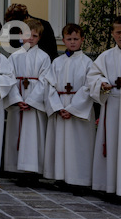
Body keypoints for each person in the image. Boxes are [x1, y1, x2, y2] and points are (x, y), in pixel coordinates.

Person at [43, 23, 95, 191]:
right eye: (69, 39)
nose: (72, 42)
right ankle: (61, 177)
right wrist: (58, 107)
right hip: (60, 106)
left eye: (76, 39)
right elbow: (49, 85)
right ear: (63, 40)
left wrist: (72, 109)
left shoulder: (88, 63)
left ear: (82, 40)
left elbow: (88, 87)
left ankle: (79, 179)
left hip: (77, 108)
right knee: (60, 143)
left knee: (78, 144)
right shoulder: (57, 62)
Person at [3, 18, 50, 183]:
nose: (31, 38)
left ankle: (33, 171)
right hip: (18, 102)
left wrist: (31, 101)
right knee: (17, 133)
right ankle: (16, 169)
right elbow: (8, 79)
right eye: (28, 34)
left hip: (33, 104)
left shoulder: (44, 57)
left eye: (35, 36)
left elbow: (45, 81)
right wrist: (16, 99)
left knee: (33, 135)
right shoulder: (14, 57)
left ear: (39, 38)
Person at [87, 16, 121, 196]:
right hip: (113, 106)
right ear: (113, 33)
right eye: (118, 32)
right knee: (112, 146)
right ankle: (110, 187)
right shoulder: (106, 56)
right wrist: (101, 83)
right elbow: (92, 76)